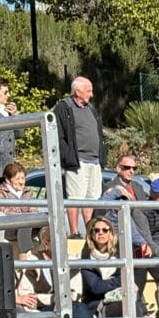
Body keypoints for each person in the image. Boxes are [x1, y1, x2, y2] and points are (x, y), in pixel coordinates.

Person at [76, 218, 131, 318]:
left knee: (132, 301)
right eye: (96, 230)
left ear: (111, 233)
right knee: (127, 305)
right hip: (96, 304)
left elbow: (127, 278)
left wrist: (121, 284)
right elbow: (95, 287)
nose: (101, 233)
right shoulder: (86, 254)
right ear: (91, 234)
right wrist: (118, 282)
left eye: (105, 230)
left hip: (116, 300)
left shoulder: (119, 252)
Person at [53, 76, 105, 237]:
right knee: (76, 198)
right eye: (88, 90)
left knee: (92, 198)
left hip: (94, 161)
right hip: (77, 161)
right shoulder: (64, 107)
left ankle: (90, 230)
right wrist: (67, 156)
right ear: (78, 91)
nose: (91, 94)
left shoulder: (91, 108)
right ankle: (74, 232)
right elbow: (58, 134)